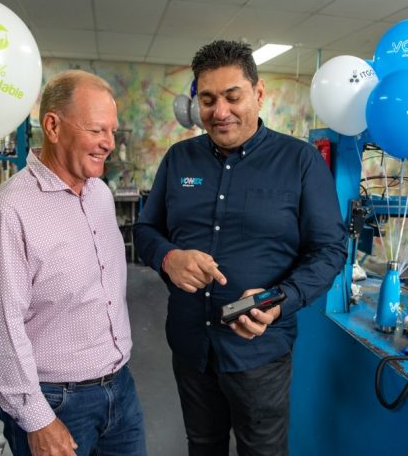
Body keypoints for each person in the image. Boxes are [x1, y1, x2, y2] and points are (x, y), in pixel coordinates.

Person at [133, 40, 348, 456]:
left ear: (258, 93)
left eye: (233, 97)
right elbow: (146, 229)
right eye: (208, 99)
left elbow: (329, 250)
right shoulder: (179, 160)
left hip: (259, 352)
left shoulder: (300, 161)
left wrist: (277, 300)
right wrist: (168, 257)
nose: (220, 112)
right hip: (191, 345)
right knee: (202, 444)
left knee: (261, 450)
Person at [0, 70, 146, 456]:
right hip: (56, 402)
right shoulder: (7, 212)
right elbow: (1, 330)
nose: (109, 144)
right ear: (52, 125)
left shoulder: (99, 193)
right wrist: (37, 419)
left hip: (120, 388)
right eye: (97, 130)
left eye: (112, 132)